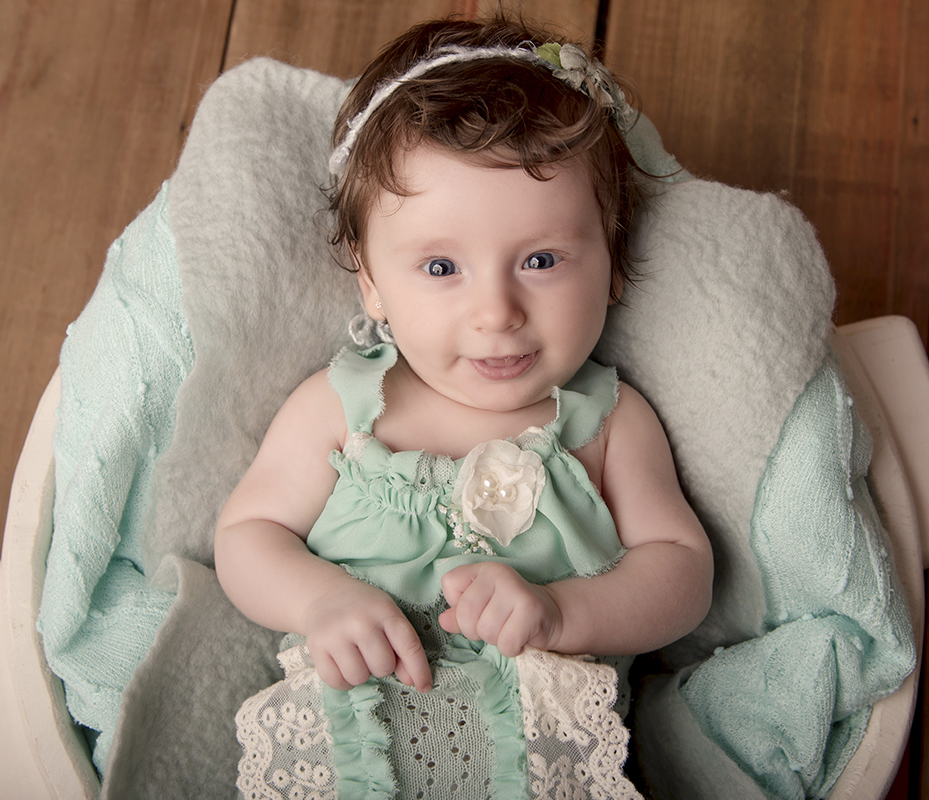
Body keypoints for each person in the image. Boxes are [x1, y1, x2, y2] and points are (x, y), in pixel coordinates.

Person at [214, 15, 713, 799]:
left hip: (542, 769)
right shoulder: (342, 409)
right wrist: (323, 600)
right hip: (354, 756)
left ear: (613, 262)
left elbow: (682, 575)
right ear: (371, 284)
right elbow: (247, 535)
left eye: (542, 260)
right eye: (441, 266)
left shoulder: (609, 424)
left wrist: (557, 614)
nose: (497, 312)